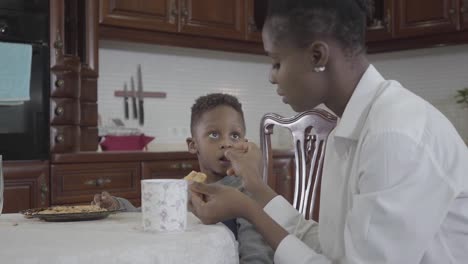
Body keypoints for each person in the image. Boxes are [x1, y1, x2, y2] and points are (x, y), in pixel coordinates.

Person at [189, 0, 468, 263]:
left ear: (317, 56)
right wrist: (256, 190)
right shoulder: (347, 128)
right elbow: (331, 248)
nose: (271, 76)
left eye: (276, 62)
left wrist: (247, 209)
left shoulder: (395, 136)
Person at [93, 93, 275, 264]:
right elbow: (149, 214)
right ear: (193, 145)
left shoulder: (246, 192)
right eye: (214, 134)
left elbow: (257, 251)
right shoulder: (183, 188)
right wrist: (117, 205)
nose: (226, 143)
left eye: (234, 136)